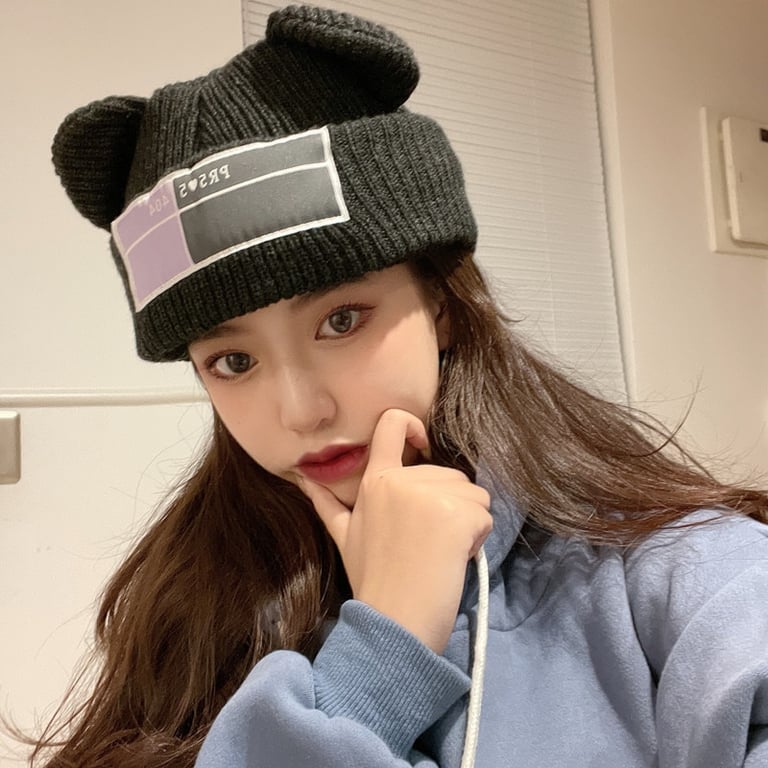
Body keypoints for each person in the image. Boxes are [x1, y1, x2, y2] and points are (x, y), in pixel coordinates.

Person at [30, 5, 768, 767]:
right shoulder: (190, 608)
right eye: (233, 362)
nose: (301, 411)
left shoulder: (687, 582)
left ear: (442, 306)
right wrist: (381, 658)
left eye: (341, 320)